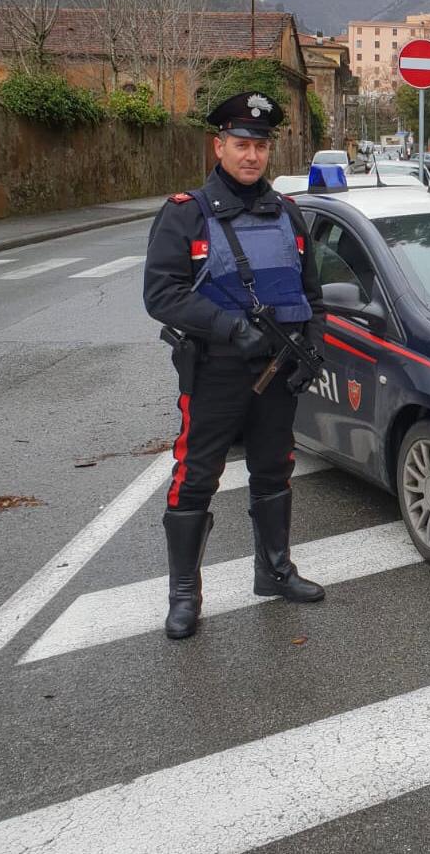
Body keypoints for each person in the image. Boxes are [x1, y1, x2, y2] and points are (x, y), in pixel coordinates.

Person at [144, 91, 326, 640]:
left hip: (280, 371)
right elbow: (162, 295)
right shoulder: (185, 214)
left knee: (274, 472)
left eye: (261, 146)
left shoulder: (289, 213)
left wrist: (311, 352)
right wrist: (229, 328)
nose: (251, 156)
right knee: (196, 478)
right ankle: (183, 596)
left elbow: (311, 295)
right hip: (217, 371)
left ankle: (274, 571)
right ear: (218, 144)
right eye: (241, 144)